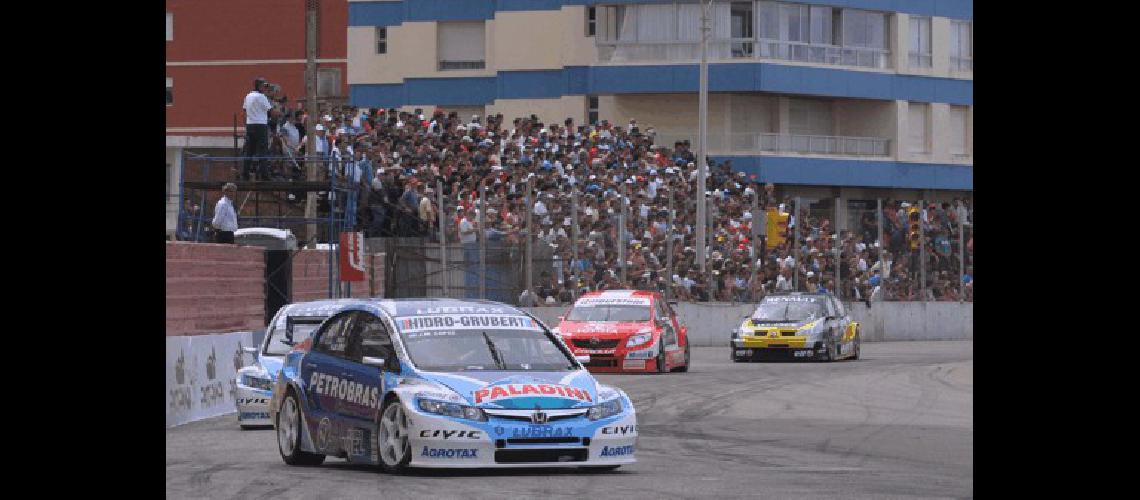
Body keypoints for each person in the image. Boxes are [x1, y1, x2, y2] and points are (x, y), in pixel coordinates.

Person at [242, 78, 275, 181]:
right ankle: (264, 175)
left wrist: (246, 124)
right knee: (263, 150)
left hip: (250, 125)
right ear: (259, 86)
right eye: (264, 86)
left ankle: (245, 174)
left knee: (249, 150)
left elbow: (244, 110)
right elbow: (271, 111)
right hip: (261, 125)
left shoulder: (248, 96)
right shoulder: (262, 97)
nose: (265, 88)